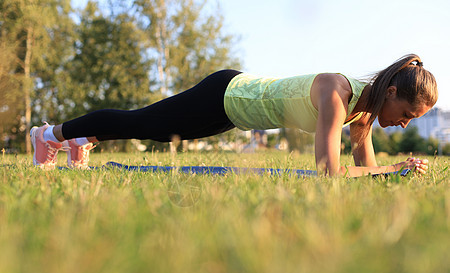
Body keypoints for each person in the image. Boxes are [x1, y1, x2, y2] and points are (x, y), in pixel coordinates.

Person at [30, 54, 437, 176]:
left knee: (147, 127)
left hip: (234, 114)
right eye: (407, 114)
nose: (405, 123)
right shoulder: (337, 93)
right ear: (393, 92)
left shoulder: (363, 113)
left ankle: (82, 141)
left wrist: (397, 172)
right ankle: (49, 134)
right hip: (225, 94)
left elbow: (367, 171)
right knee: (142, 123)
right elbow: (330, 173)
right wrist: (389, 169)